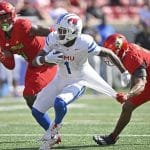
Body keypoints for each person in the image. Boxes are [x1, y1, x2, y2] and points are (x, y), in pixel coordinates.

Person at [31, 13, 128, 149]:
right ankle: (54, 136)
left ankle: (54, 129)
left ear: (74, 32)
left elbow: (108, 53)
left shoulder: (84, 42)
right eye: (59, 29)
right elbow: (35, 61)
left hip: (79, 80)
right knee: (36, 110)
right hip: (61, 78)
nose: (59, 33)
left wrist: (124, 72)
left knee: (59, 102)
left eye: (63, 31)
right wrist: (45, 59)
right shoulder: (53, 38)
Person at [93, 33, 149, 145]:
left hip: (146, 82)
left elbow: (141, 84)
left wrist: (128, 95)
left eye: (111, 53)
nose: (109, 57)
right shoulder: (127, 52)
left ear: (120, 50)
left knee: (128, 105)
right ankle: (112, 138)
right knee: (128, 106)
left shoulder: (131, 57)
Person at [0, 2, 57, 109]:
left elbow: (43, 30)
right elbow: (10, 65)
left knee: (30, 93)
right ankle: (46, 121)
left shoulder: (21, 25)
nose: (3, 20)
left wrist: (62, 37)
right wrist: (2, 55)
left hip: (46, 60)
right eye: (0, 17)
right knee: (28, 97)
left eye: (5, 16)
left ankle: (51, 119)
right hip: (33, 64)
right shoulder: (1, 35)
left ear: (12, 14)